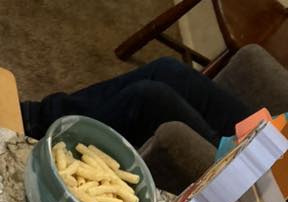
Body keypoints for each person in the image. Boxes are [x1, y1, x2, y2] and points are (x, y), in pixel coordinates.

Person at [21, 57, 252, 148]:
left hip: (261, 178)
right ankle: (40, 119)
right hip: (272, 138)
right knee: (167, 69)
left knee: (148, 98)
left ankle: (58, 147)